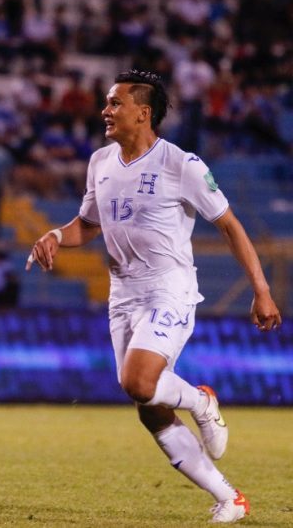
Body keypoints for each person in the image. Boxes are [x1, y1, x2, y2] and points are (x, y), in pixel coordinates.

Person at [25, 70, 282, 524]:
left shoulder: (182, 165)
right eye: (106, 103)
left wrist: (262, 290)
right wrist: (53, 234)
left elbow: (230, 225)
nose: (105, 110)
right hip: (123, 295)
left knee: (139, 383)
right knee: (150, 410)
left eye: (114, 103)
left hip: (170, 289)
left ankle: (202, 402)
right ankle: (229, 498)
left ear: (143, 113)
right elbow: (86, 225)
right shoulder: (100, 162)